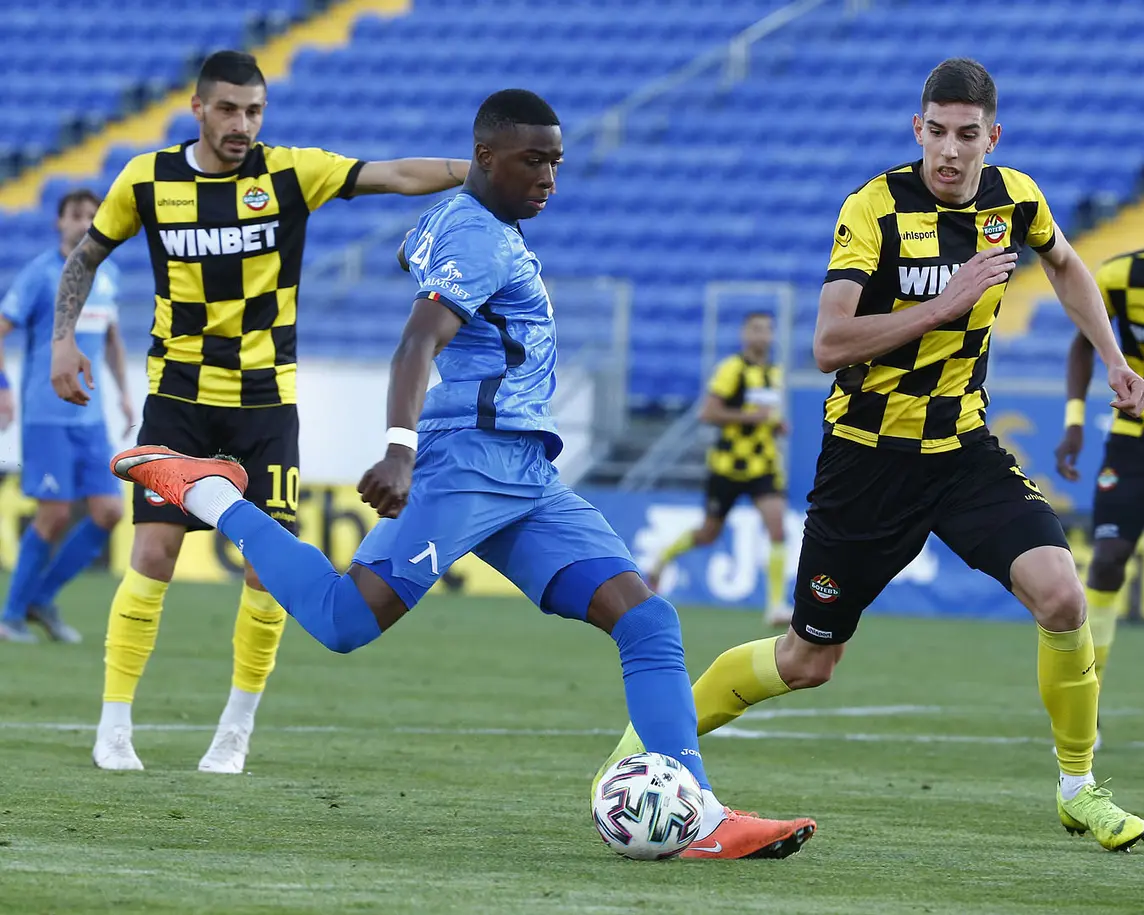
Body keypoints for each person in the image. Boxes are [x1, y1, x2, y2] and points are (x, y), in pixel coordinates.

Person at [106, 88, 816, 860]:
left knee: (647, 620)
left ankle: (696, 812)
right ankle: (209, 492)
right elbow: (418, 341)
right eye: (532, 160)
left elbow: (411, 250)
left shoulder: (471, 226)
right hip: (468, 462)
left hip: (527, 473)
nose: (549, 177)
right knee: (343, 621)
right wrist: (399, 447)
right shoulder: (478, 235)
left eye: (556, 162)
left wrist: (434, 239)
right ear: (485, 158)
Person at [596, 58, 1144, 852]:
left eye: (967, 135)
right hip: (866, 462)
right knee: (807, 660)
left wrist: (1113, 358)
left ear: (993, 137)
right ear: (917, 128)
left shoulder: (1016, 199)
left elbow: (1064, 263)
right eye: (937, 132)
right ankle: (634, 751)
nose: (950, 151)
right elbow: (828, 343)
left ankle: (1079, 788)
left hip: (961, 451)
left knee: (1063, 597)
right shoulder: (876, 207)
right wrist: (947, 304)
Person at [49, 50, 473, 774]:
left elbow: (395, 175)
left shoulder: (290, 173)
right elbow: (86, 256)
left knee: (265, 570)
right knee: (153, 554)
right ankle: (114, 726)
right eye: (228, 109)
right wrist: (64, 340)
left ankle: (235, 729)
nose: (242, 124)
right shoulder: (147, 179)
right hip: (178, 397)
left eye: (254, 111)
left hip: (265, 404)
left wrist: (482, 174)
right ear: (197, 109)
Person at [1055, 175, 1144, 698]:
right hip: (1137, 434)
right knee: (1110, 557)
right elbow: (1082, 345)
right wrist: (1074, 421)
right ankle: (1087, 694)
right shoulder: (1120, 277)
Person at [0, 189, 133, 643]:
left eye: (92, 216)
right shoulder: (40, 275)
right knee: (54, 515)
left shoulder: (109, 274)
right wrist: (4, 389)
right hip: (47, 416)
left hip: (91, 418)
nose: (84, 223)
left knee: (110, 512)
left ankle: (40, 598)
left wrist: (124, 394)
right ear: (59, 222)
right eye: (75, 215)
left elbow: (112, 339)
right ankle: (11, 615)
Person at [646, 311, 791, 625]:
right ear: (744, 334)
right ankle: (661, 558)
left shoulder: (775, 372)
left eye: (767, 329)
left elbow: (767, 415)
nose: (762, 335)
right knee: (708, 533)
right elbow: (708, 413)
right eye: (756, 329)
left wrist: (777, 424)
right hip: (728, 465)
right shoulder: (732, 369)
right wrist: (750, 418)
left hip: (765, 465)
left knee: (778, 527)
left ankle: (776, 605)